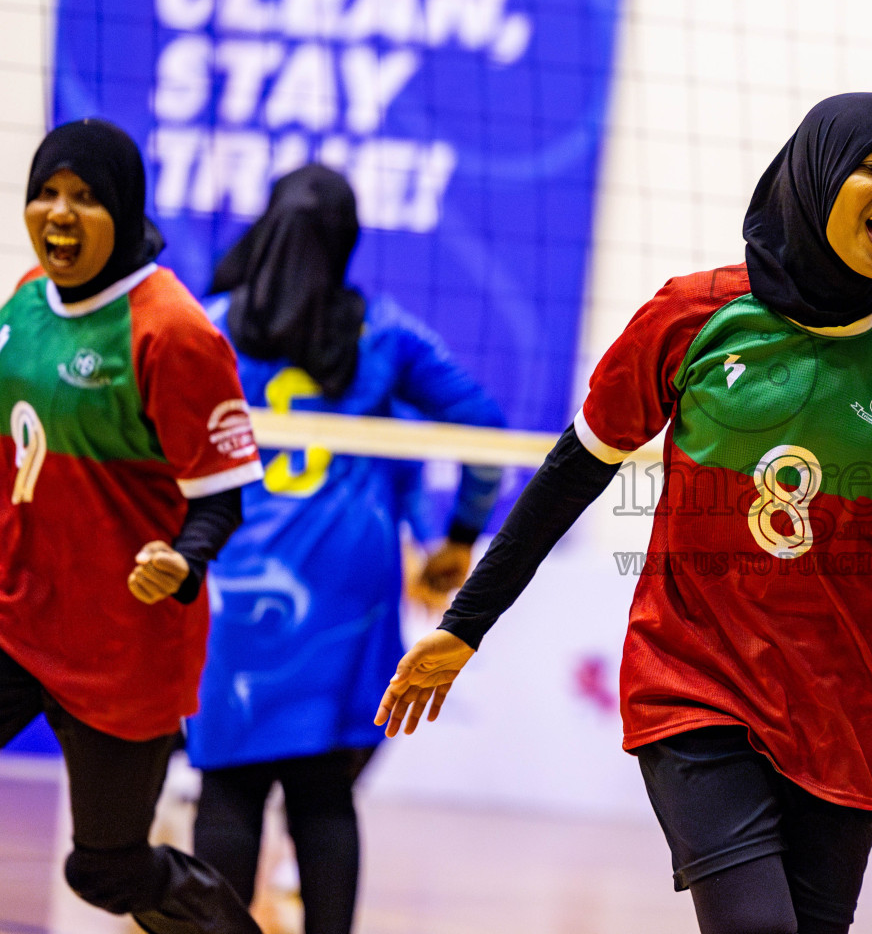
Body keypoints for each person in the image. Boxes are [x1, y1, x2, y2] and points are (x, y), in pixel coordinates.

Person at [375, 92, 872, 934]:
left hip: (848, 703)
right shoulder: (695, 314)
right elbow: (572, 475)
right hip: (696, 678)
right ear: (817, 176)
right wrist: (466, 625)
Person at [183, 164, 506, 934]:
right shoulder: (384, 332)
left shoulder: (210, 322)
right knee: (324, 793)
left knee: (227, 785)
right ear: (347, 240)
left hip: (237, 583)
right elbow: (487, 432)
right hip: (345, 586)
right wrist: (460, 536)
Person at [0, 119, 265, 933]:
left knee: (107, 870)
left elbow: (222, 497)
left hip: (120, 642)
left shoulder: (172, 330)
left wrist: (182, 562)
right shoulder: (22, 301)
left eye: (84, 197)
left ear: (124, 208)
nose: (59, 214)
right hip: (17, 617)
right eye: (47, 192)